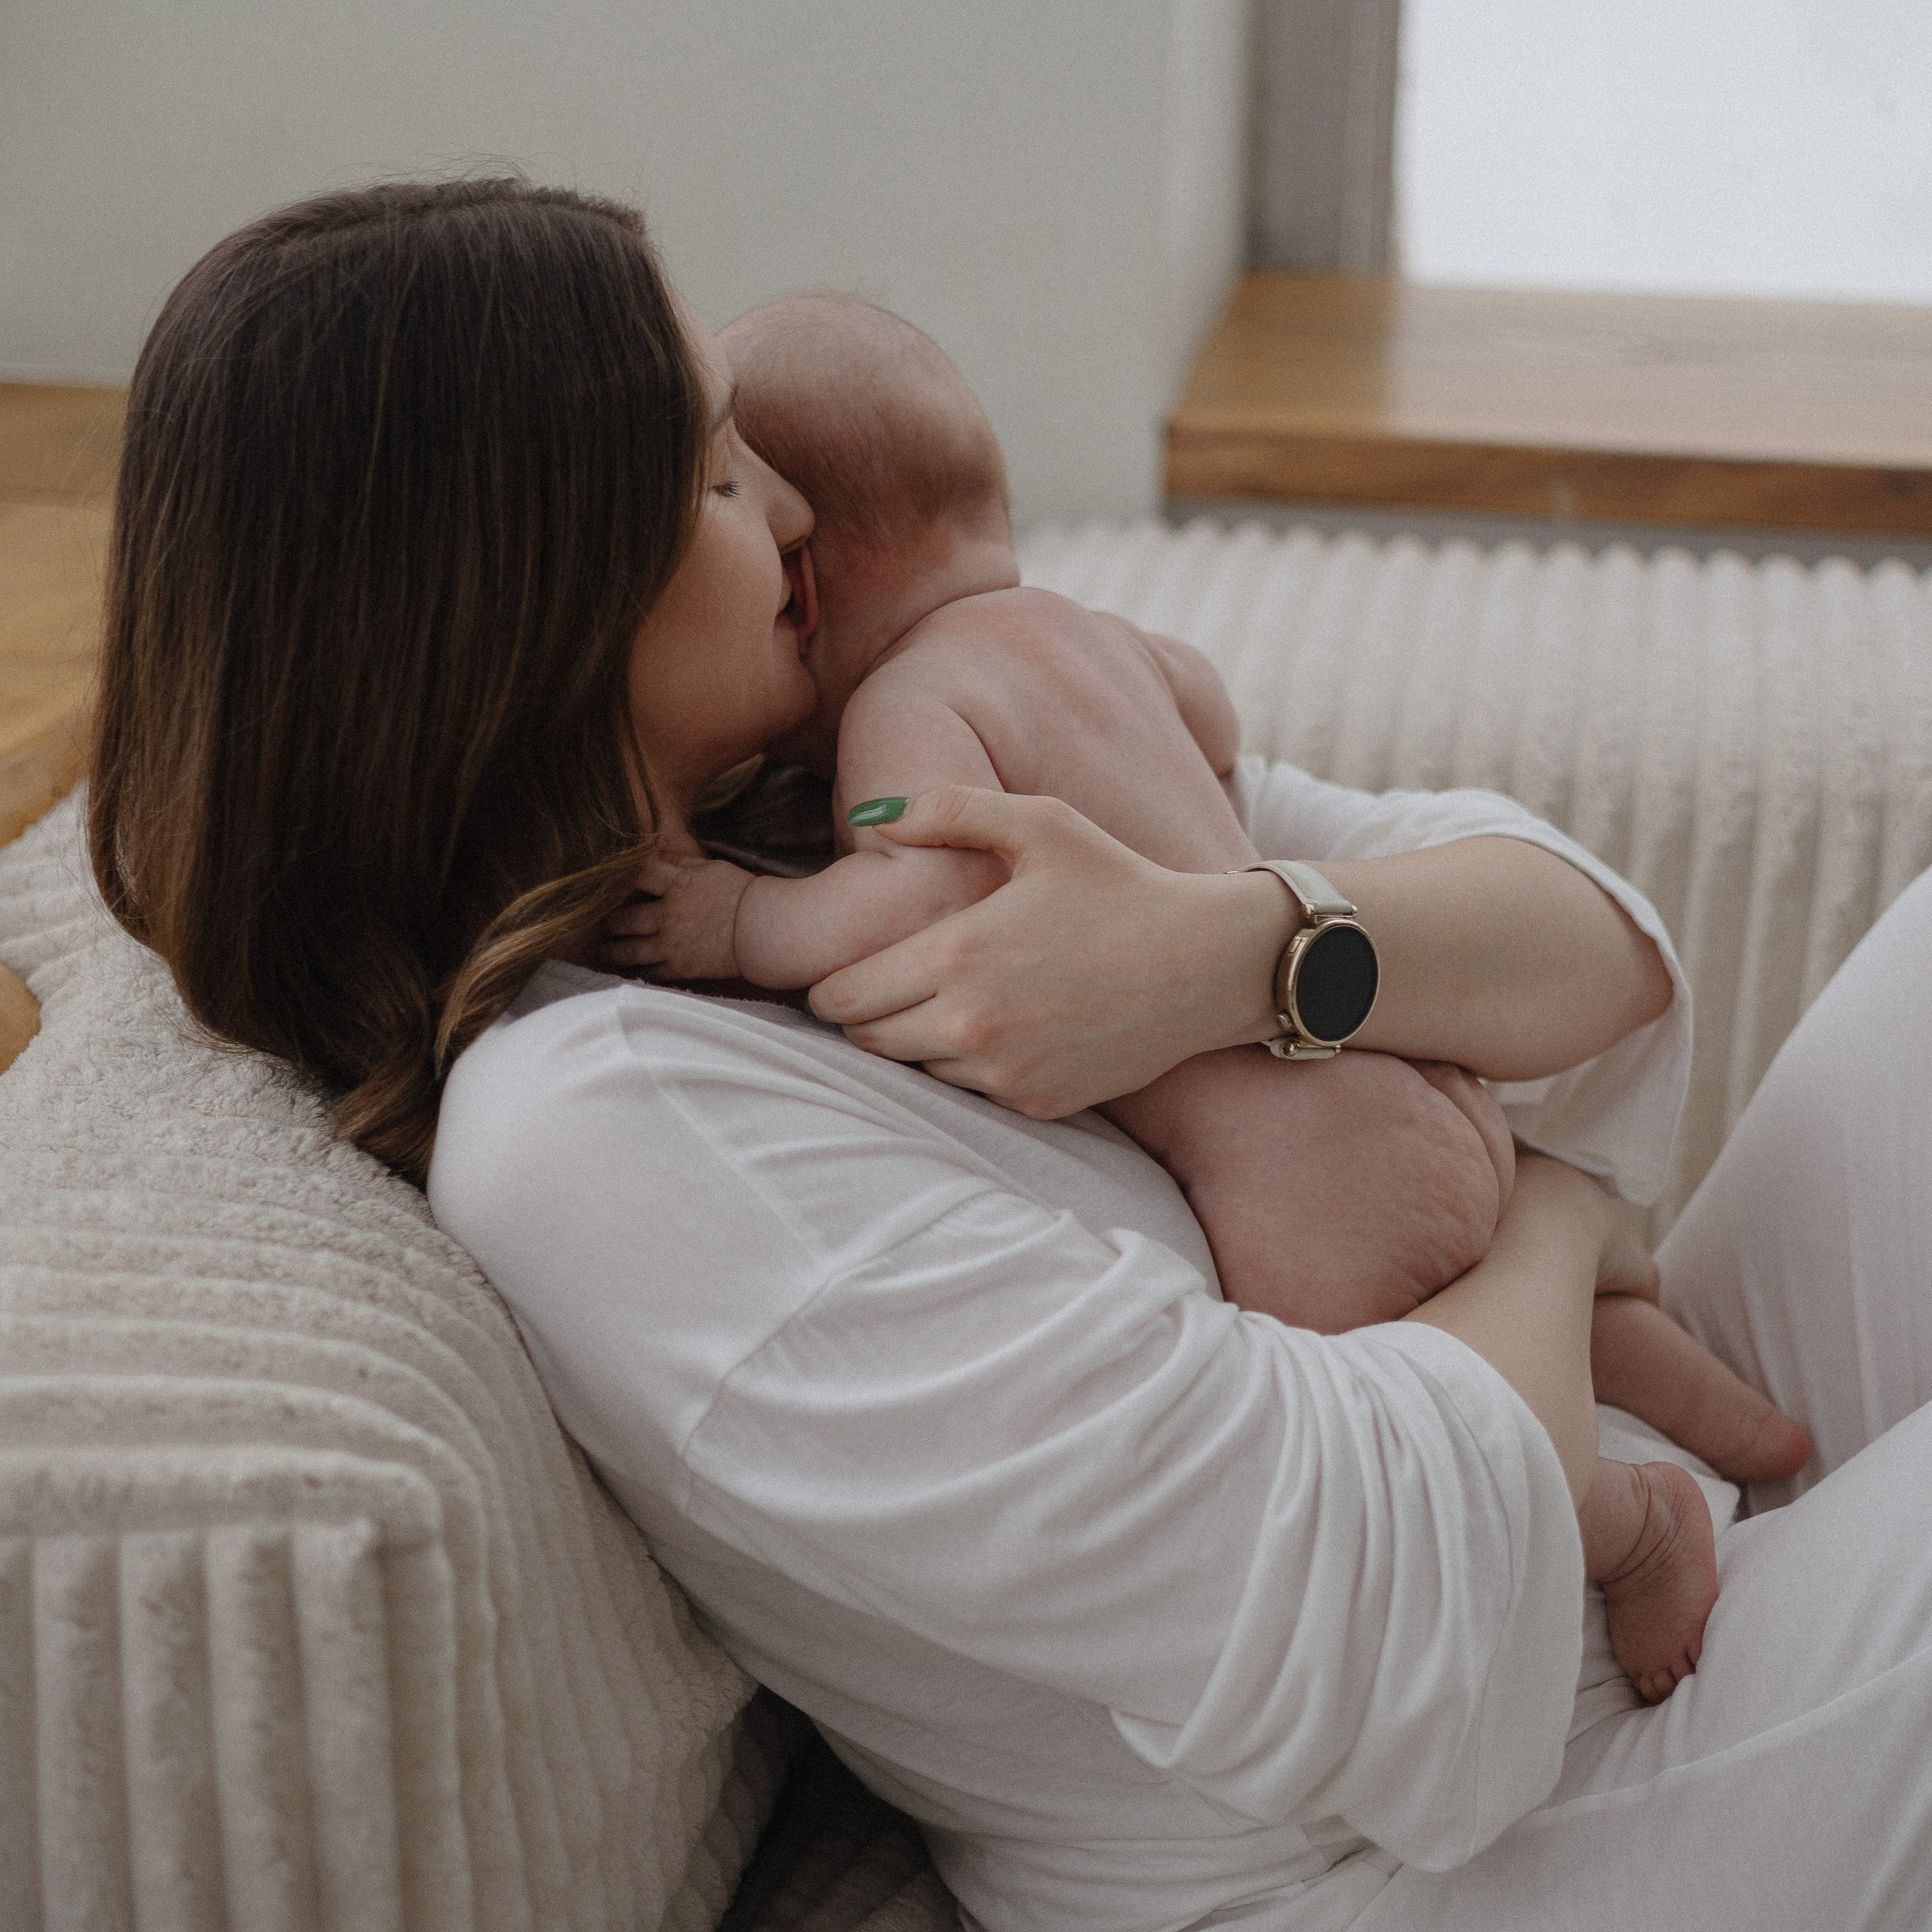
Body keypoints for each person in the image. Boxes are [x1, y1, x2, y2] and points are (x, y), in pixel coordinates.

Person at [85, 177, 1932, 1931]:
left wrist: (1222, 951)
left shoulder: (837, 795)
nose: (801, 512)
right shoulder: (611, 1129)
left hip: (1604, 1501)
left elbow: (1590, 951)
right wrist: (1537, 1210)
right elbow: (1415, 1613)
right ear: (521, 599)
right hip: (1455, 1833)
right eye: (719, 474)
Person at [602, 292, 1801, 1698]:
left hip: (1303, 1178)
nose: (767, 519)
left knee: (1389, 1366)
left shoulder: (903, 709)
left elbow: (925, 888)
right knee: (1500, 1281)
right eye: (724, 476)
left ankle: (1627, 1521)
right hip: (1419, 1084)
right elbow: (1216, 720)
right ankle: (1730, 1415)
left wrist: (749, 922)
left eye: (750, 478)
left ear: (814, 575)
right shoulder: (1091, 640)